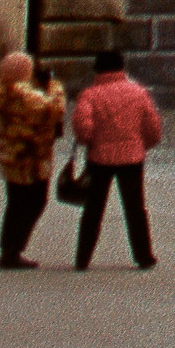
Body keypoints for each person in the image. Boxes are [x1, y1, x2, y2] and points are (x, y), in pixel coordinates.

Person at [69, 45, 160, 268]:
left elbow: (82, 127)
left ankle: (83, 258)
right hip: (132, 158)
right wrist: (141, 145)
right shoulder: (138, 92)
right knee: (135, 208)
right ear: (121, 67)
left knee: (93, 209)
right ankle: (143, 256)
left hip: (100, 158)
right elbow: (153, 127)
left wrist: (89, 141)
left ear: (97, 70)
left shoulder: (90, 94)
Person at [0, 46, 65, 268]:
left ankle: (7, 249)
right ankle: (14, 249)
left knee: (15, 203)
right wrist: (54, 86)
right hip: (33, 157)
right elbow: (55, 110)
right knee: (36, 201)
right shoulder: (28, 95)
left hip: (10, 155)